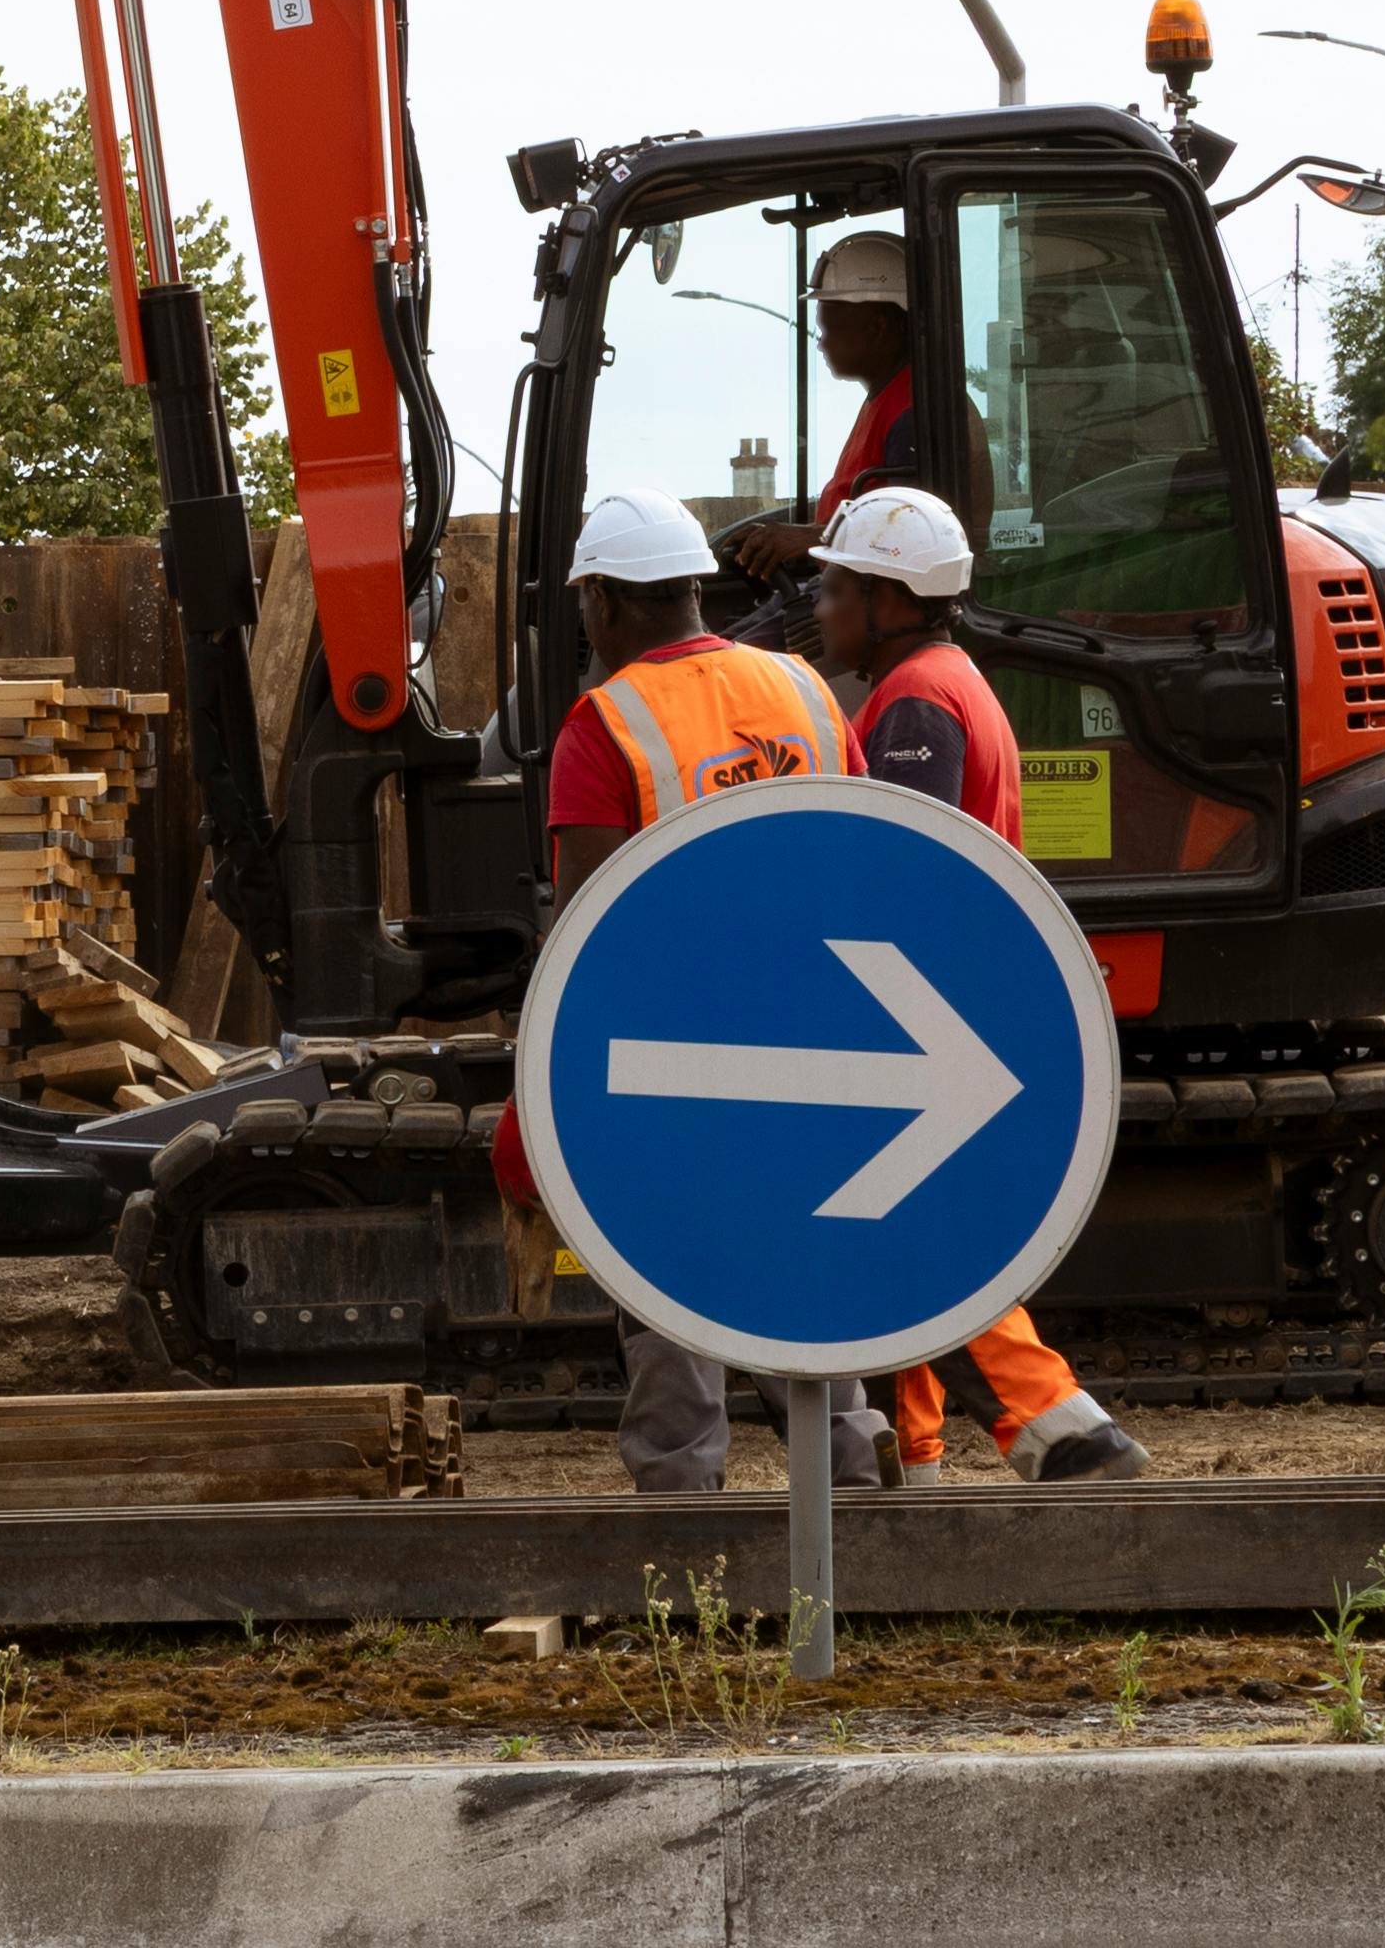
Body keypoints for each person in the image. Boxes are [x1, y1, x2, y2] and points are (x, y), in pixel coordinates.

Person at [487, 488, 892, 1496]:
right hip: (822, 1029)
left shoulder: (605, 722)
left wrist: (536, 1090)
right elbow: (864, 857)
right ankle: (852, 1478)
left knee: (668, 1270)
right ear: (693, 591)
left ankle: (681, 1503)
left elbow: (589, 931)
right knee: (802, 1266)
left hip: (680, 1052)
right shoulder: (805, 690)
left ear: (606, 605)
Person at [809, 481, 1150, 1486]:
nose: (821, 608)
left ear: (890, 597)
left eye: (836, 589)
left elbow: (902, 874)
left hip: (923, 1009)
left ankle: (1057, 1423)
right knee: (899, 1220)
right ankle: (915, 1458)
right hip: (949, 1002)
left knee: (923, 1232)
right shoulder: (953, 676)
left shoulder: (914, 701)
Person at [712, 230, 923, 653]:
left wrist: (809, 539)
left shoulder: (914, 415)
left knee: (718, 675)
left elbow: (909, 542)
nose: (822, 343)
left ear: (880, 327)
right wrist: (798, 535)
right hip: (843, 590)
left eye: (832, 328)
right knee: (718, 653)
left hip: (870, 609)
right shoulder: (888, 397)